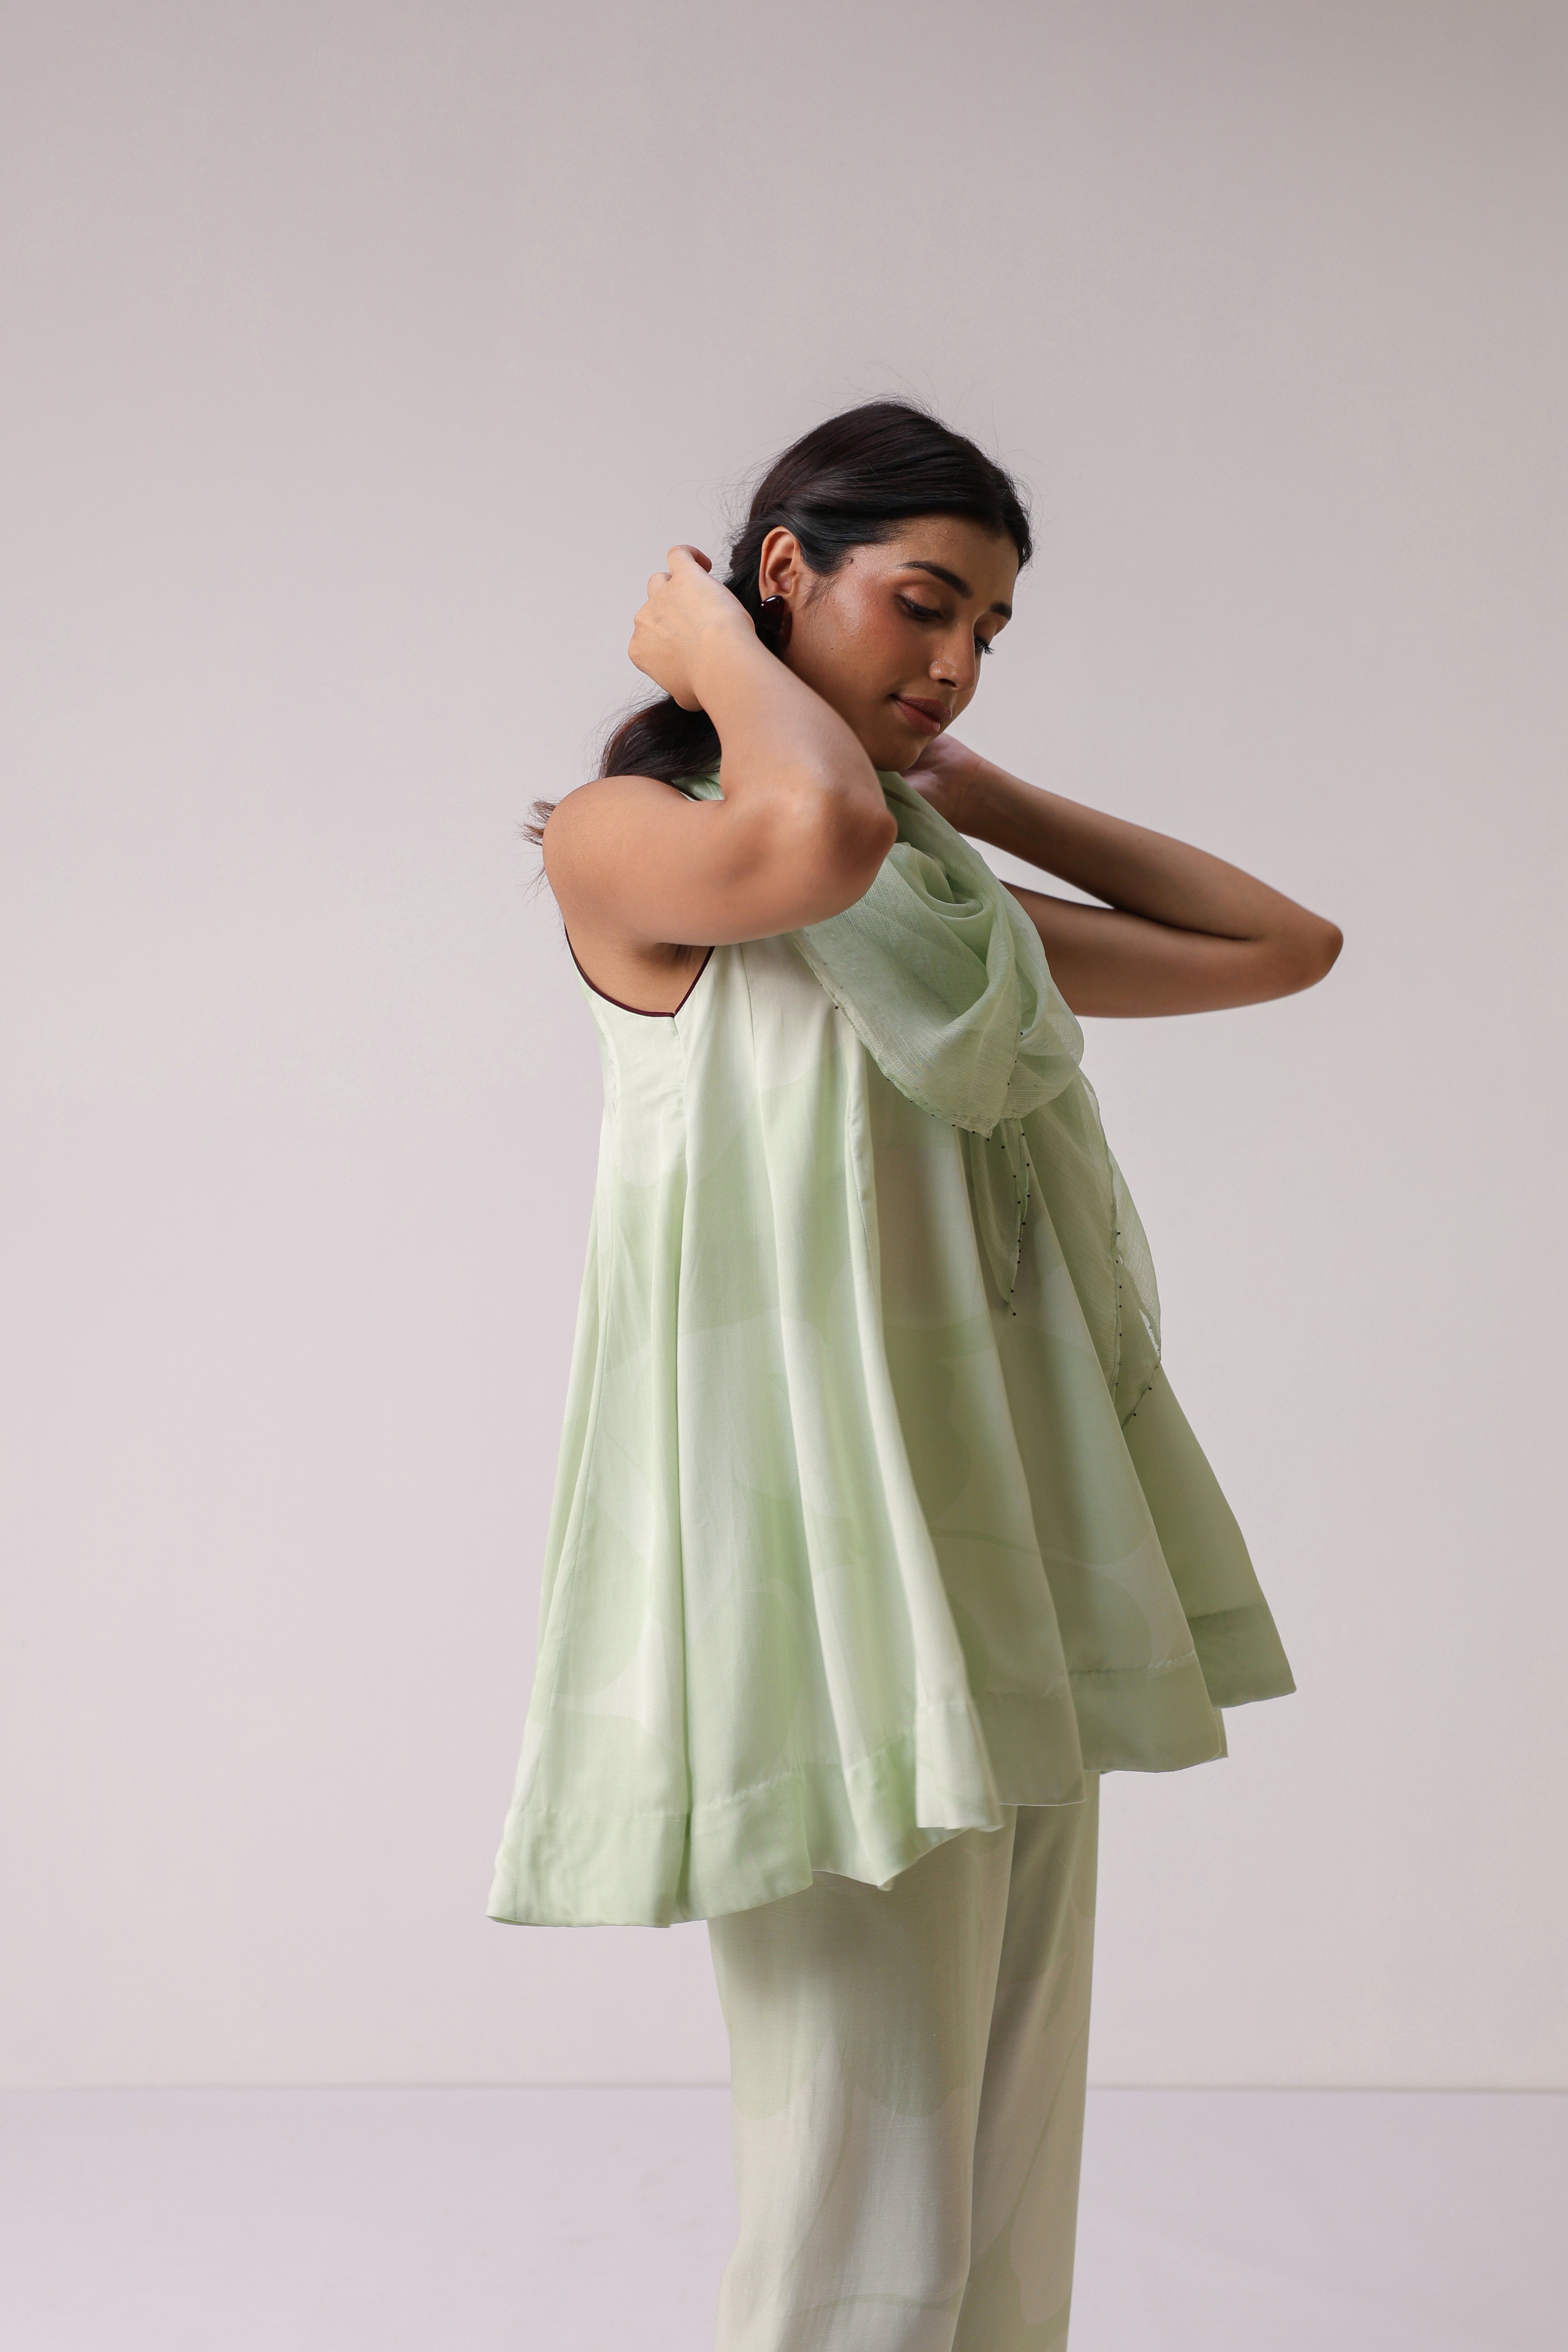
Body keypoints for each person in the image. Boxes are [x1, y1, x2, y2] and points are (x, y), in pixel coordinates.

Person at [489, 401, 1341, 2350]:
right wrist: (719, 660)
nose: (954, 658)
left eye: (990, 631)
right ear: (786, 571)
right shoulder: (633, 846)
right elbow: (812, 835)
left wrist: (982, 782)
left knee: (1002, 2204)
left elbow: (1280, 945)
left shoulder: (945, 924)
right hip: (817, 1610)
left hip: (1006, 1590)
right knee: (861, 2218)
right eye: (924, 604)